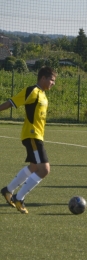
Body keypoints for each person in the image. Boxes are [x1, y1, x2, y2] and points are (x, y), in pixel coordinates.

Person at [1, 66, 57, 214]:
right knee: (44, 170)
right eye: (52, 80)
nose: (53, 83)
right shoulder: (32, 91)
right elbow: (10, 102)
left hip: (37, 136)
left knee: (33, 167)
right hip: (32, 135)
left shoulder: (43, 95)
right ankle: (19, 198)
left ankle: (8, 190)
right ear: (43, 78)